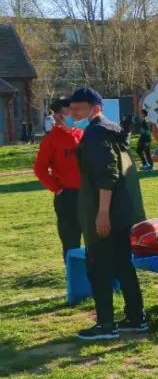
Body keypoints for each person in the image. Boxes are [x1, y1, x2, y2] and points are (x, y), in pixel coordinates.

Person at [67, 88, 148, 341]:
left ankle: (106, 325)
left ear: (95, 109)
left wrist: (102, 213)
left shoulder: (95, 134)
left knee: (99, 268)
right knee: (123, 265)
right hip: (123, 213)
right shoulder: (113, 130)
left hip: (105, 213)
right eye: (71, 109)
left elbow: (107, 174)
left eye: (78, 109)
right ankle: (136, 318)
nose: (73, 114)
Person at [33, 97, 84, 260]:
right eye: (69, 112)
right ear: (58, 116)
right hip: (67, 196)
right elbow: (40, 168)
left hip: (88, 194)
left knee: (95, 240)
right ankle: (73, 272)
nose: (74, 115)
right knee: (71, 241)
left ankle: (96, 273)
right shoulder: (51, 139)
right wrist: (57, 189)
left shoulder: (82, 133)